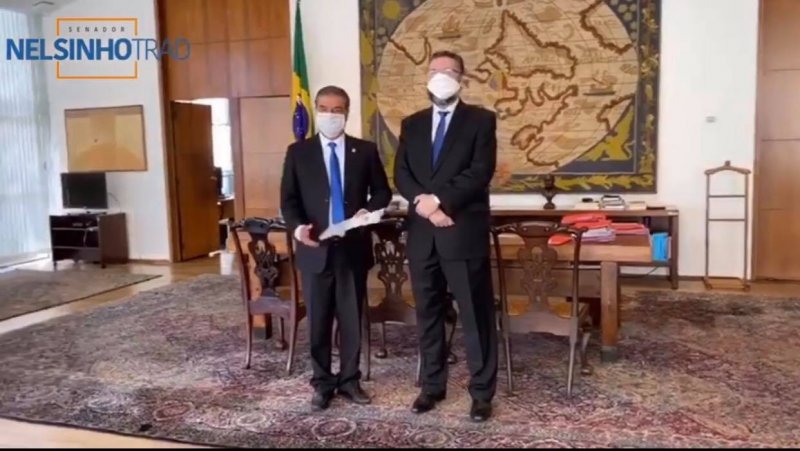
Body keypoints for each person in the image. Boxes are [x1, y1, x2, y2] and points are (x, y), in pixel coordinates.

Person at [393, 50, 498, 422]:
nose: (440, 76)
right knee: (429, 313)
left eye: (448, 70)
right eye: (433, 70)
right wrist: (424, 205)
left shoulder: (481, 120)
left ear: (461, 78)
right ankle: (432, 386)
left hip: (461, 232)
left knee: (474, 315)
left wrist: (439, 201)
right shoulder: (412, 124)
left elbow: (480, 172)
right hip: (423, 236)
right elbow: (402, 173)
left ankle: (481, 393)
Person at [280, 85, 392, 411]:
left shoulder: (365, 150)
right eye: (324, 109)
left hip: (352, 248)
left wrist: (369, 209)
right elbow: (289, 200)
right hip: (315, 247)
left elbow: (382, 192)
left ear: (347, 112)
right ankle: (322, 382)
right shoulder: (298, 153)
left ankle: (349, 380)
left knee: (351, 318)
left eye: (337, 109)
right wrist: (298, 228)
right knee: (318, 319)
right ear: (316, 110)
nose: (330, 115)